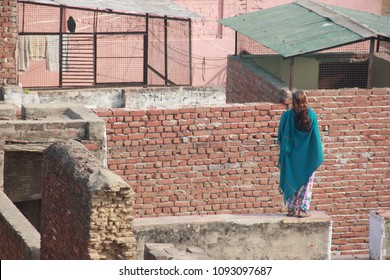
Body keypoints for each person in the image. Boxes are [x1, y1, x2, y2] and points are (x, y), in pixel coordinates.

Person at [277, 90, 324, 218]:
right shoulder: (312, 116)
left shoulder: (287, 116)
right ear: (305, 101)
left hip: (292, 157)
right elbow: (315, 138)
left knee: (291, 179)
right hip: (307, 157)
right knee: (307, 183)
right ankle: (303, 210)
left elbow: (281, 136)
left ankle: (291, 209)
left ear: (293, 102)